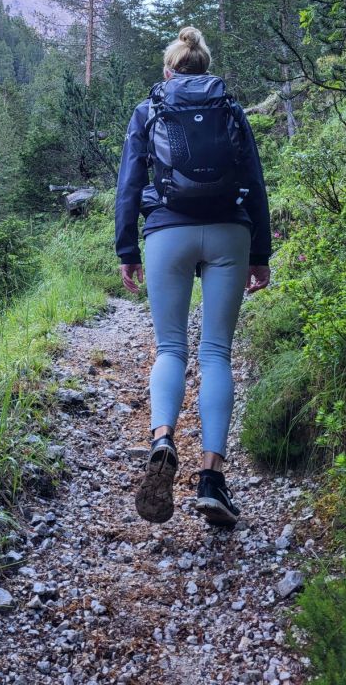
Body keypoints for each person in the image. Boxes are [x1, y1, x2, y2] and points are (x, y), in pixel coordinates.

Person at [114, 27, 271, 527]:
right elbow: (254, 181)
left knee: (170, 348)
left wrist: (127, 249)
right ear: (205, 68)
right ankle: (211, 479)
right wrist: (260, 253)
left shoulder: (149, 109)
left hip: (167, 233)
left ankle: (162, 439)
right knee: (216, 352)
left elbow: (129, 183)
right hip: (229, 233)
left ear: (169, 70)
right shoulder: (230, 110)